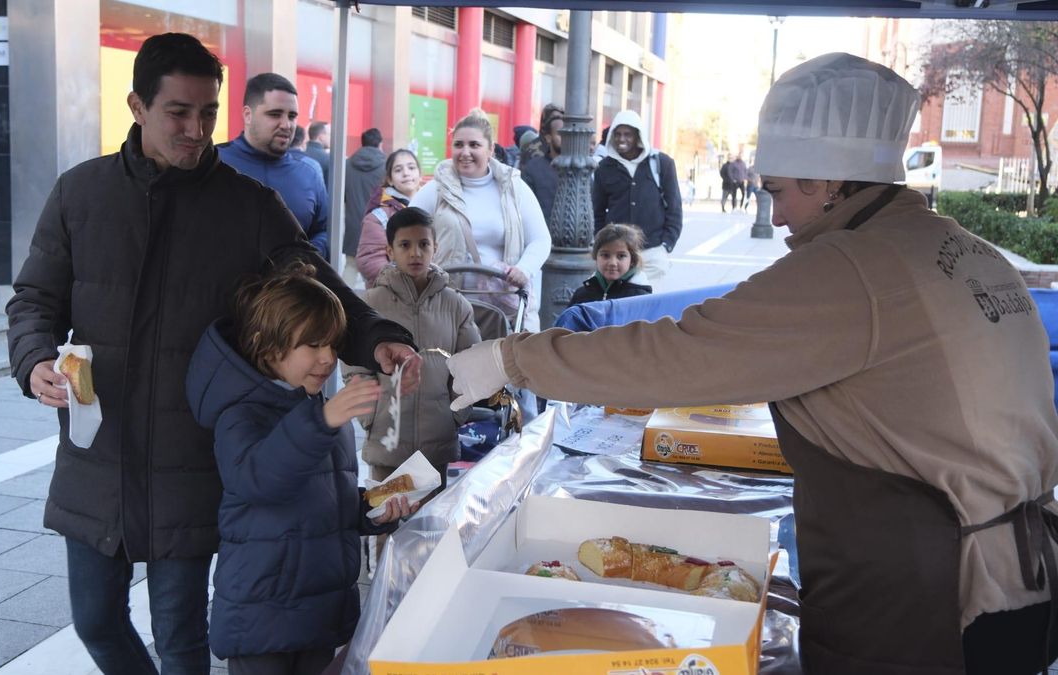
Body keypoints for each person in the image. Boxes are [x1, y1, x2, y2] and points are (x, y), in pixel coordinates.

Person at [447, 52, 1058, 675]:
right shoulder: (969, 249)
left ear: (828, 183)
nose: (777, 212)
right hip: (1019, 574)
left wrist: (509, 358)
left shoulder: (849, 268)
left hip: (933, 596)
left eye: (779, 191)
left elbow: (677, 354)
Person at [5, 33, 419, 675]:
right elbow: (34, 298)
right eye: (179, 112)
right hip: (99, 451)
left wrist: (377, 335)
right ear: (137, 105)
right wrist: (34, 359)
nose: (197, 129)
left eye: (208, 112)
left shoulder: (247, 206)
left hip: (191, 456)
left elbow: (319, 285)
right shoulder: (79, 194)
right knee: (96, 623)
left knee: (181, 640)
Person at [184, 263, 417, 675]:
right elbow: (256, 479)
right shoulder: (242, 412)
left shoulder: (315, 410)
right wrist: (324, 420)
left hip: (320, 610)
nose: (328, 358)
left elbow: (329, 502)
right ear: (268, 347)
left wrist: (373, 511)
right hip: (263, 615)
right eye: (312, 345)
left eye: (332, 344)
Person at [345, 207, 480, 484]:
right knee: (385, 517)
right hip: (387, 437)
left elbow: (471, 365)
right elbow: (353, 364)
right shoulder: (370, 304)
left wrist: (454, 415)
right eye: (405, 245)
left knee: (430, 523)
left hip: (437, 440)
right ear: (390, 250)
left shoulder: (456, 306)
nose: (415, 253)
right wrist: (371, 414)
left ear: (435, 248)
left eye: (423, 244)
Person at [410, 108, 552, 333]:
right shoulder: (435, 189)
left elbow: (541, 239)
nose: (465, 152)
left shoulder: (514, 188)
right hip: (446, 306)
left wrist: (523, 269)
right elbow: (405, 232)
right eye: (458, 145)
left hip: (502, 305)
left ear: (490, 149)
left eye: (474, 145)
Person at [218, 73, 330, 258]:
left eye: (292, 116)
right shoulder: (213, 163)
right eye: (275, 114)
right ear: (248, 115)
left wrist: (304, 259)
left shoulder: (309, 173)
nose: (286, 125)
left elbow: (323, 230)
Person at [592, 109, 682, 291]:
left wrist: (666, 245)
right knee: (621, 306)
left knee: (651, 307)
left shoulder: (661, 163)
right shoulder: (604, 168)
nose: (621, 139)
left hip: (653, 251)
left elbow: (674, 207)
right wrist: (601, 242)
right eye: (617, 134)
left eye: (627, 134)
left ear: (638, 136)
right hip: (618, 255)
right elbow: (597, 211)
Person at [355, 149, 422, 286]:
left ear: (420, 174)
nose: (406, 173)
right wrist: (405, 284)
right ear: (389, 179)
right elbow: (370, 261)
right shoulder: (378, 216)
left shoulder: (433, 205)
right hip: (393, 297)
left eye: (411, 167)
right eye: (398, 170)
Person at [568, 224, 652, 307]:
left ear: (632, 260)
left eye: (621, 256)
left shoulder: (641, 298)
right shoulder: (582, 295)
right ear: (595, 256)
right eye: (605, 255)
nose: (612, 263)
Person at [343, 128, 387, 286]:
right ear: (380, 144)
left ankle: (344, 304)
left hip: (353, 224)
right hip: (377, 227)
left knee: (351, 265)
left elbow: (343, 196)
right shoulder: (386, 166)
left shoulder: (347, 164)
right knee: (376, 268)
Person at [521, 106, 564, 227]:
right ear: (548, 138)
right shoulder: (533, 168)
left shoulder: (578, 169)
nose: (565, 139)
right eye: (560, 135)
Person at [306, 120, 331, 190]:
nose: (331, 138)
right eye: (330, 135)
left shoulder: (300, 154)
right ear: (321, 137)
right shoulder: (328, 159)